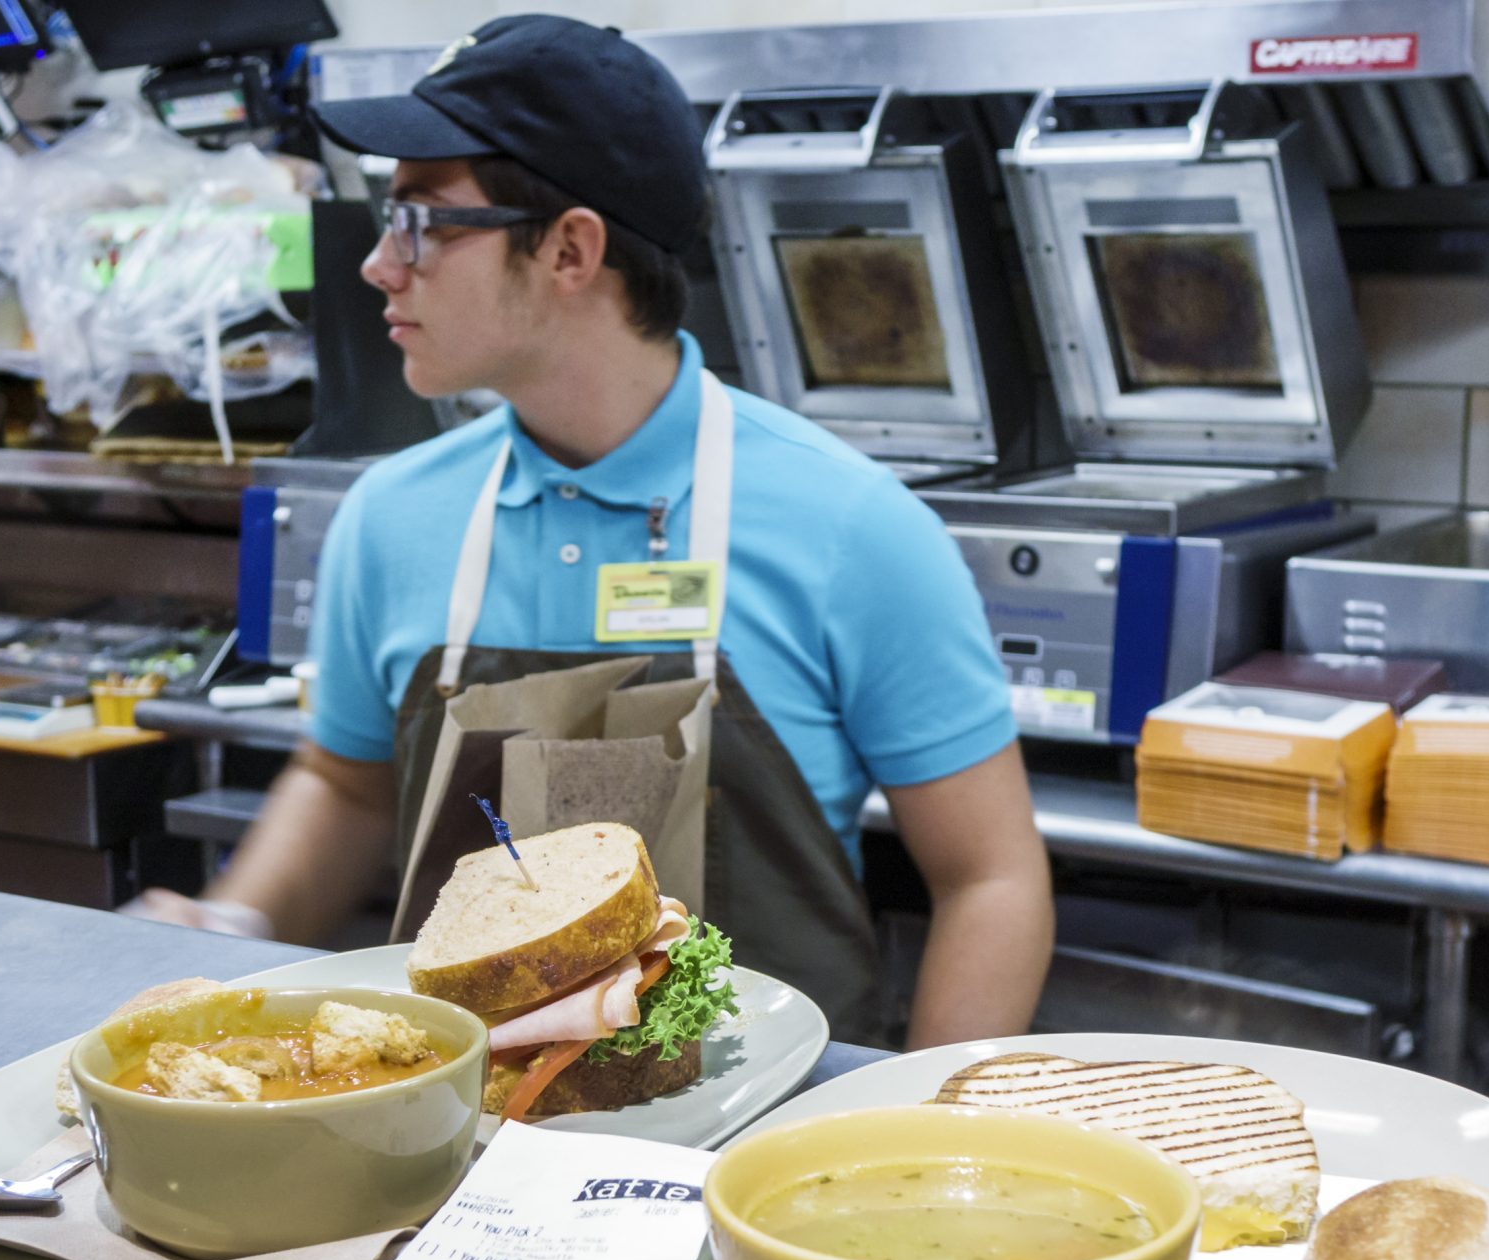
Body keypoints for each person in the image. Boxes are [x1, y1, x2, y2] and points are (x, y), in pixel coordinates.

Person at [133, 14, 1052, 1048]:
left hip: (759, 1156)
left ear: (570, 248)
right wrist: (235, 922)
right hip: (456, 1142)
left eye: (425, 221)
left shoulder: (852, 526)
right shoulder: (391, 516)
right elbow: (345, 786)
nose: (380, 267)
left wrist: (912, 1131)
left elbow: (991, 876)